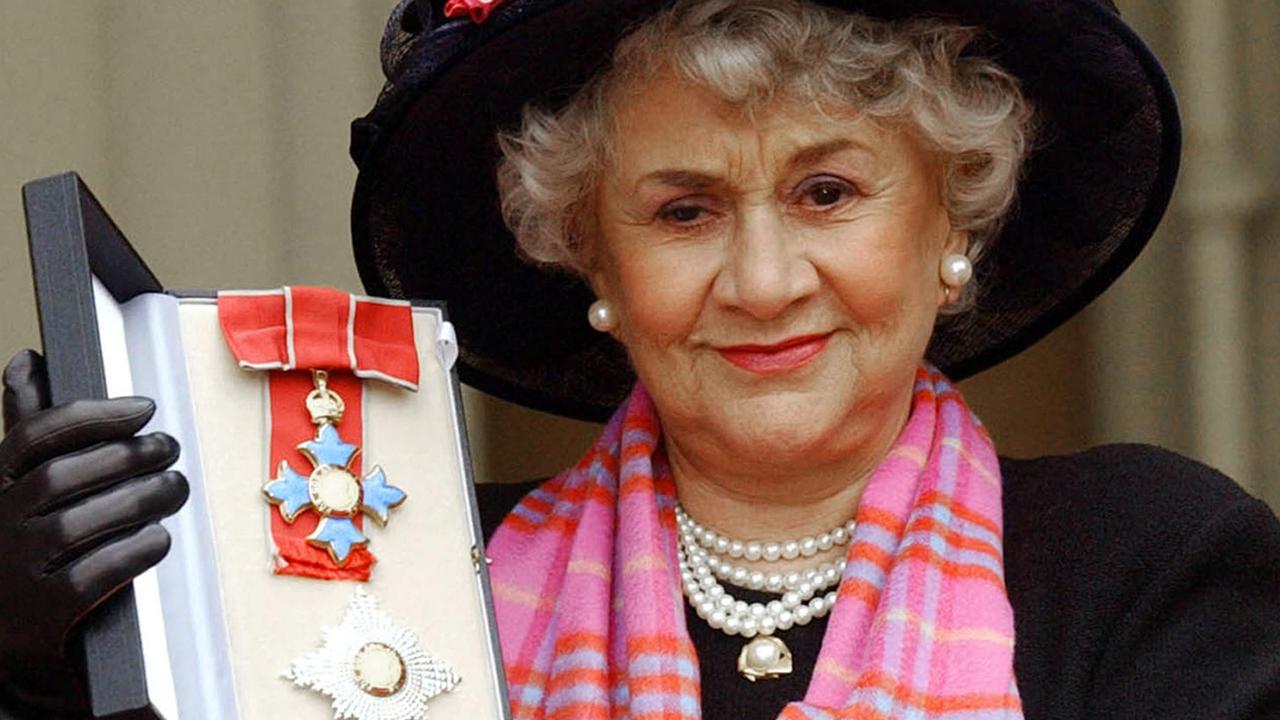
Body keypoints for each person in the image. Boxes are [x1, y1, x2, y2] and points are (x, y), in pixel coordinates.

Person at [1, 0, 1278, 718]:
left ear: (949, 222)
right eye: (682, 212)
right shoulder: (400, 584)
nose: (765, 279)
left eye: (827, 191)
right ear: (593, 267)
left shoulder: (1144, 562)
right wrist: (41, 649)